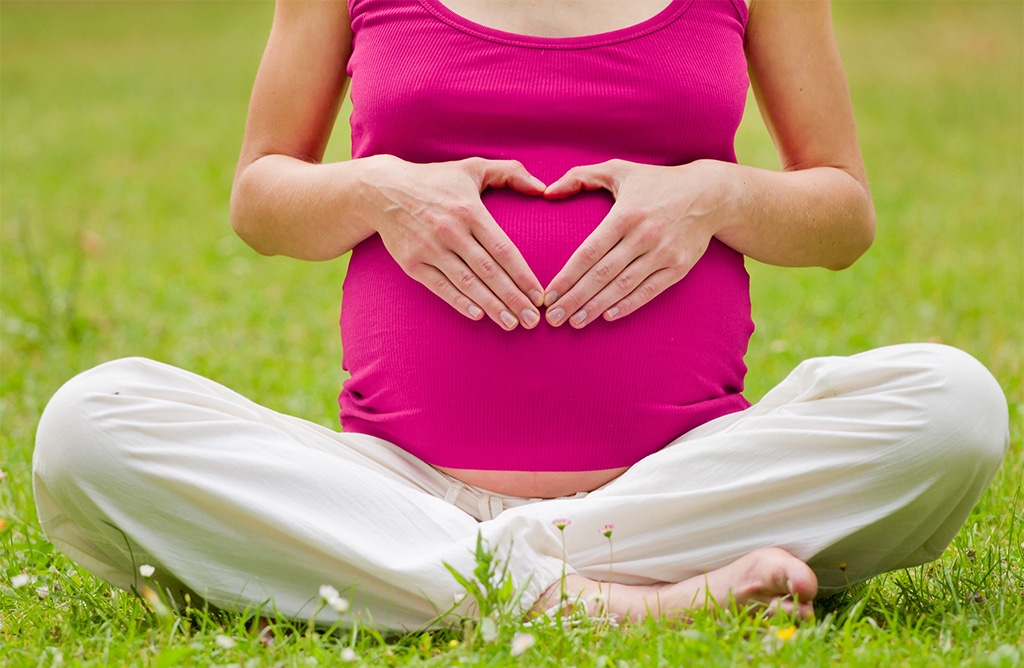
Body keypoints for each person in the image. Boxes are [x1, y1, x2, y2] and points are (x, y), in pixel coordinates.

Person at [33, 0, 1008, 630]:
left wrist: (716, 194)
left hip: (675, 485)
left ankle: (438, 580)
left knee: (954, 406)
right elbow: (259, 195)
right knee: (91, 426)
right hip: (402, 480)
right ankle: (611, 601)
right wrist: (379, 190)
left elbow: (840, 212)